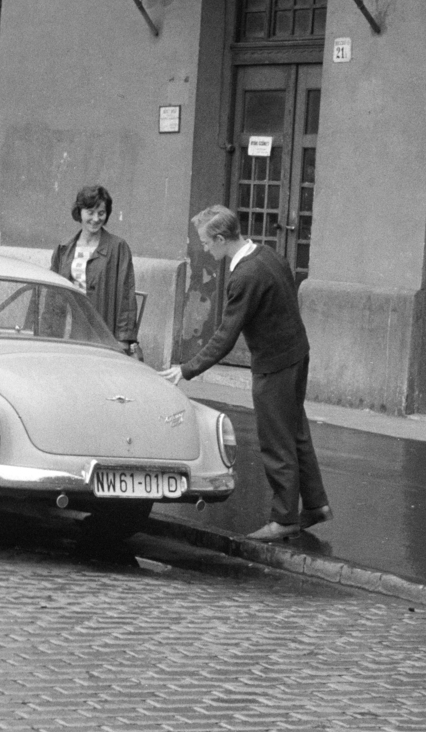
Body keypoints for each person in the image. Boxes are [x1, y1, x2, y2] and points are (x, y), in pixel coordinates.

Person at [160, 205, 330, 542]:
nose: (206, 249)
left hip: (274, 365)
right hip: (297, 353)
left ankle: (284, 519)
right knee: (295, 433)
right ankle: (315, 505)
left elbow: (225, 336)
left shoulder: (244, 277)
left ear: (222, 238)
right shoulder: (268, 255)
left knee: (276, 442)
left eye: (207, 243)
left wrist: (187, 369)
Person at [50, 184, 140, 359]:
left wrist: (124, 338)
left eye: (101, 213)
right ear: (80, 212)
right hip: (71, 329)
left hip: (103, 330)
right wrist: (47, 334)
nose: (96, 218)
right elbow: (52, 296)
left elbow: (126, 296)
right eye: (90, 212)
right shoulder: (64, 249)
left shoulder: (118, 248)